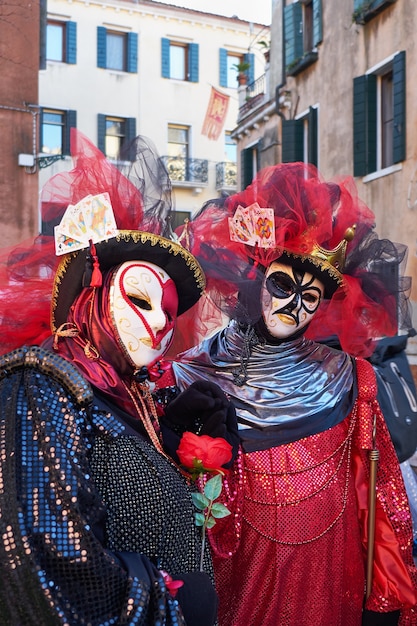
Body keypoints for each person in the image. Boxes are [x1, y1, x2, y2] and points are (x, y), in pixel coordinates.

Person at [171, 162, 417, 625]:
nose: (292, 306)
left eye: (311, 296)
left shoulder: (351, 380)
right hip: (235, 592)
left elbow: (382, 500)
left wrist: (384, 603)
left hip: (329, 587)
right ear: (253, 278)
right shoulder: (187, 377)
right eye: (283, 285)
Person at [0, 130, 229, 625]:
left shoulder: (127, 400)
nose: (162, 324)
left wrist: (171, 436)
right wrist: (160, 599)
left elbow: (125, 497)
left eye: (170, 314)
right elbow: (42, 553)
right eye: (142, 299)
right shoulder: (40, 387)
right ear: (92, 298)